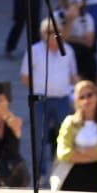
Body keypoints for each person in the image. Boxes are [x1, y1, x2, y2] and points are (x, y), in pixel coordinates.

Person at [21, 19, 79, 184]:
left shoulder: (67, 50)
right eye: (49, 32)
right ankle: (40, 174)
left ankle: (60, 172)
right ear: (42, 34)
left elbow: (73, 75)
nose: (52, 36)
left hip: (62, 101)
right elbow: (25, 77)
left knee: (64, 137)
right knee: (39, 138)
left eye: (55, 32)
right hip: (41, 101)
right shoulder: (34, 51)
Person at [52, 79, 97, 192]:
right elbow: (63, 153)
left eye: (89, 95)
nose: (86, 100)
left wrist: (80, 152)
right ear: (77, 101)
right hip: (72, 177)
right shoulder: (70, 122)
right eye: (81, 97)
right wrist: (93, 154)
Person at [0, 90, 27, 189]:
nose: (4, 104)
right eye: (0, 101)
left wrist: (6, 114)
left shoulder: (14, 121)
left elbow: (16, 126)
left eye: (5, 101)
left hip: (14, 171)